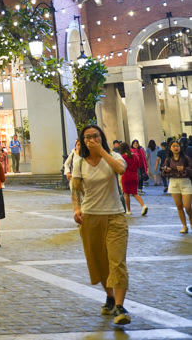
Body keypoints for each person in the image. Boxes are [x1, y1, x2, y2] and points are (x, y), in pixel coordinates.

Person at [71, 124, 131, 325]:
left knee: (117, 260)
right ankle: (110, 296)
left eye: (95, 136)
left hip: (115, 215)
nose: (91, 140)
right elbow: (76, 188)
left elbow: (121, 169)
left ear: (102, 138)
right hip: (90, 217)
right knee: (99, 261)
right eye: (87, 137)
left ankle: (120, 307)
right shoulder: (79, 162)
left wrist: (102, 152)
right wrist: (76, 209)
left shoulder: (113, 156)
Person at [161, 139, 192, 233]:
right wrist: (166, 170)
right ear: (170, 148)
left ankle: (191, 220)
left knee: (187, 206)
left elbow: (191, 170)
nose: (176, 148)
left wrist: (184, 169)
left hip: (185, 182)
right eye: (173, 146)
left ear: (180, 147)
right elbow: (163, 173)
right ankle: (184, 226)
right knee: (179, 206)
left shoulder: (186, 158)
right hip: (173, 182)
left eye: (177, 146)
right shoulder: (168, 159)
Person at [117, 142, 147, 216]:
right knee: (135, 193)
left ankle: (129, 210)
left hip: (126, 176)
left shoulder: (123, 157)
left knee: (126, 194)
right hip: (134, 176)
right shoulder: (135, 156)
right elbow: (138, 165)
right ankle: (143, 205)